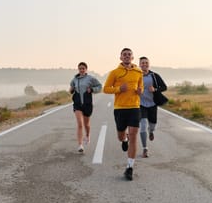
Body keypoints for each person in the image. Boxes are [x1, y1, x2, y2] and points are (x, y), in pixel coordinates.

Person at [103, 48, 143, 180]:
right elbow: (106, 89)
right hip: (120, 108)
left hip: (135, 107)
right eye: (124, 55)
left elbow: (141, 87)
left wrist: (139, 91)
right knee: (121, 135)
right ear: (120, 57)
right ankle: (124, 140)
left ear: (132, 57)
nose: (126, 56)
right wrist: (119, 89)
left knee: (133, 134)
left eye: (129, 55)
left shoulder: (139, 72)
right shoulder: (115, 72)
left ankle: (129, 167)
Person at [69, 62, 102, 153]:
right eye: (80, 68)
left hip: (87, 104)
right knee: (80, 124)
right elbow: (71, 88)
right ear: (78, 69)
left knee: (86, 124)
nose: (81, 70)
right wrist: (71, 90)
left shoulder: (90, 78)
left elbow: (100, 86)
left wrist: (92, 89)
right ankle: (80, 145)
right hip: (77, 104)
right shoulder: (75, 79)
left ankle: (87, 135)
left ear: (86, 69)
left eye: (83, 68)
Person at [138, 56, 167, 158]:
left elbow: (164, 87)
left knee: (152, 125)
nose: (144, 64)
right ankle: (145, 148)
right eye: (142, 63)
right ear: (139, 64)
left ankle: (151, 131)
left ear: (149, 64)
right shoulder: (136, 75)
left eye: (146, 63)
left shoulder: (154, 76)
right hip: (140, 104)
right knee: (143, 125)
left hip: (152, 104)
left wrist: (155, 89)